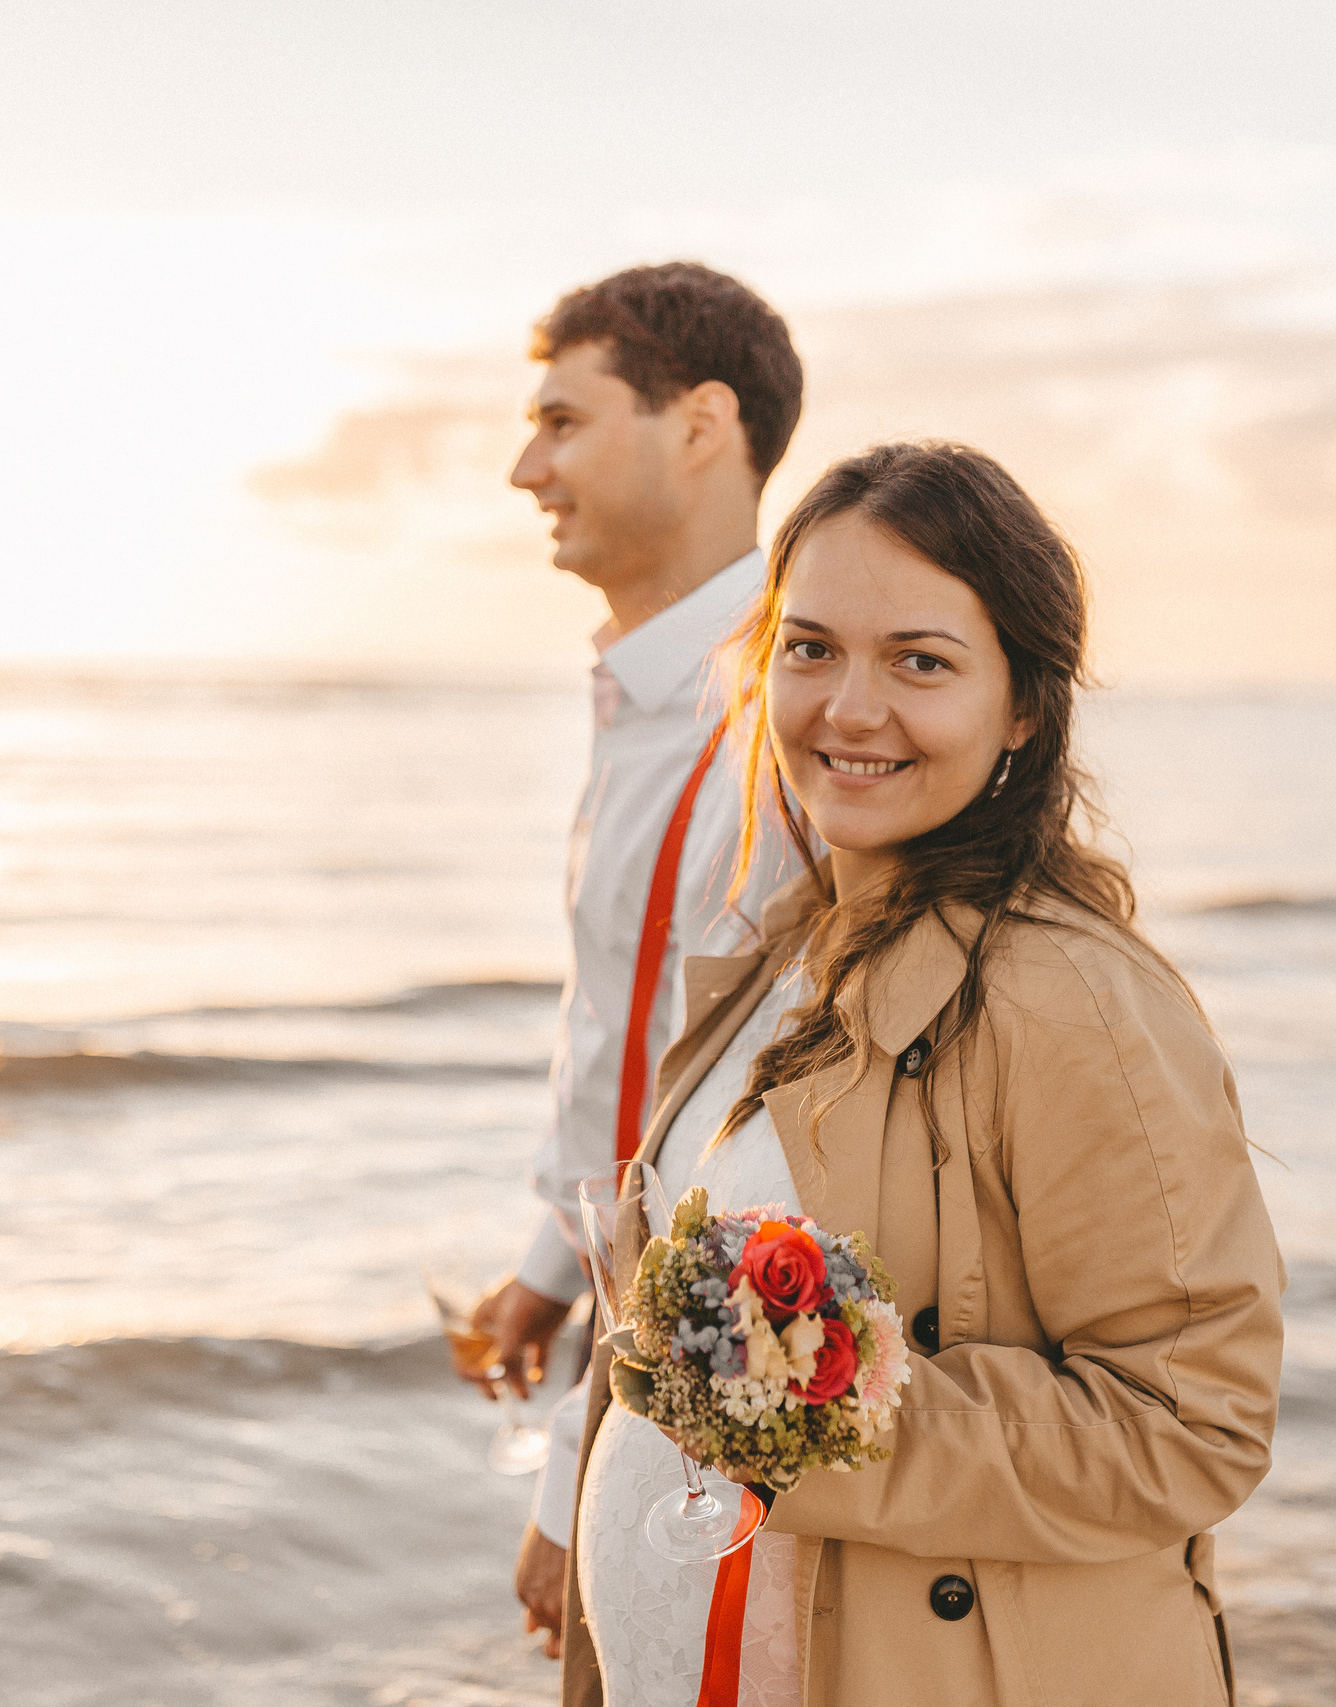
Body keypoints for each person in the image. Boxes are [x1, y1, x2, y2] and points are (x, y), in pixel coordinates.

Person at [560, 442, 1286, 1706]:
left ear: (1023, 707)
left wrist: (796, 1417)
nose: (849, 708)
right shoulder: (781, 955)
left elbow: (1189, 1421)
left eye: (920, 662)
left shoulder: (1069, 1001)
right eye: (810, 647)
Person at [469, 261, 807, 1657]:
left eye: (564, 421)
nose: (525, 468)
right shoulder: (646, 695)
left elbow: (734, 1158)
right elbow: (626, 1026)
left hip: (687, 1392)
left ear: (700, 424)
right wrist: (546, 1266)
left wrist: (580, 1460)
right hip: (631, 1338)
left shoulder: (776, 732)